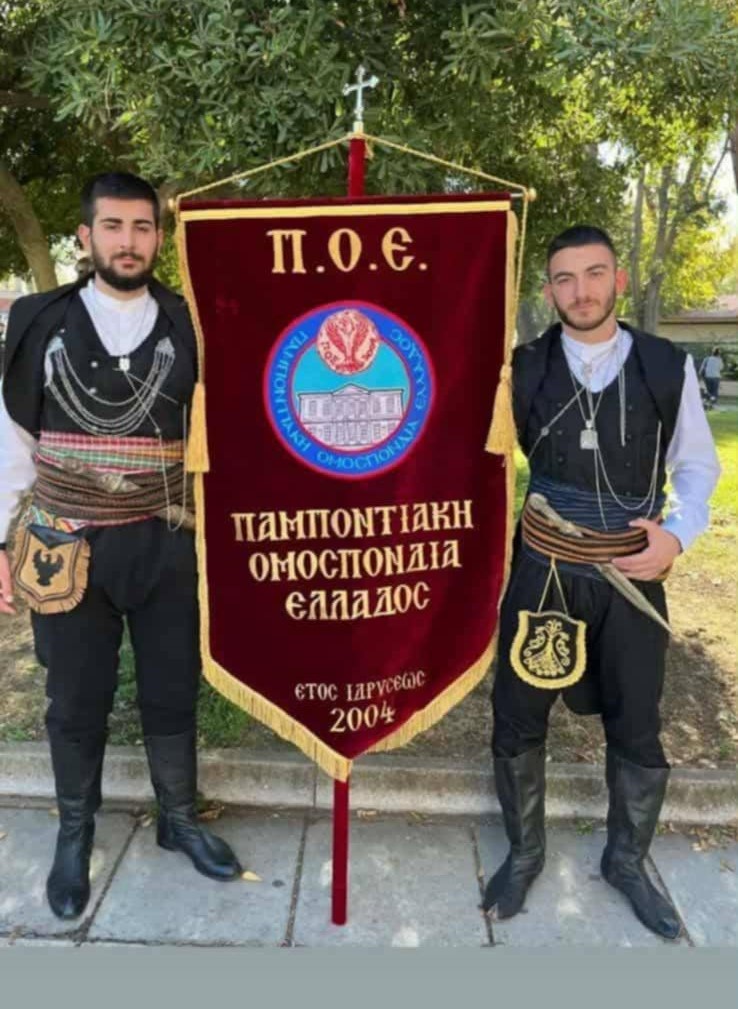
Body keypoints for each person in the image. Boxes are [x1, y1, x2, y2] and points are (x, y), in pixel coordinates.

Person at [0, 172, 242, 921]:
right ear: (86, 236)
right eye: (113, 226)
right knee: (75, 697)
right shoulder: (38, 320)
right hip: (64, 539)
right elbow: (13, 436)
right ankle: (75, 834)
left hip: (166, 539)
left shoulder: (192, 324)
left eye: (142, 227)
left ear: (159, 237)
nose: (128, 241)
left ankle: (178, 819)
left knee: (172, 686)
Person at [483, 225, 720, 940]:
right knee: (518, 713)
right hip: (544, 570)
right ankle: (525, 855)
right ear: (548, 289)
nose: (580, 291)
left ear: (618, 279)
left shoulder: (665, 364)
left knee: (637, 719)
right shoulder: (522, 369)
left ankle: (626, 861)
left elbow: (696, 465)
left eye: (593, 274)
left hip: (631, 575)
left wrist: (676, 534)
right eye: (564, 278)